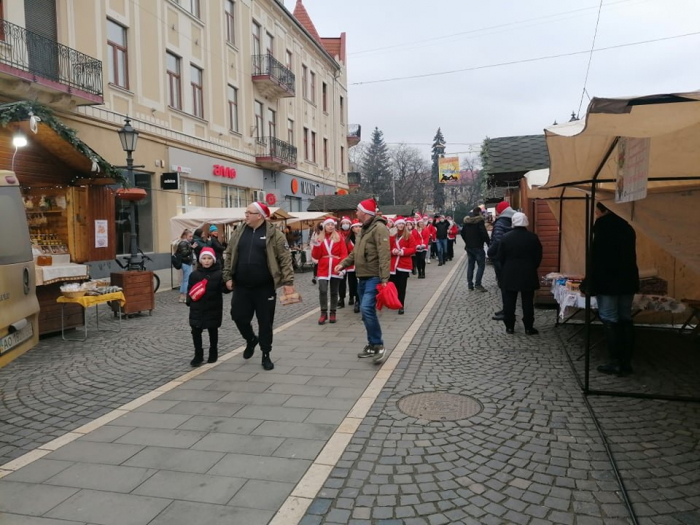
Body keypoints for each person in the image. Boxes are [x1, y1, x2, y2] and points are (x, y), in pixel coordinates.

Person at [222, 202, 296, 371]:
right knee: (238, 316)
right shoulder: (239, 232)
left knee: (265, 322)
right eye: (246, 212)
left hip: (264, 287)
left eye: (249, 212)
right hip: (241, 286)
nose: (245, 214)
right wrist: (227, 276)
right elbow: (229, 254)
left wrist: (288, 283)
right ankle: (251, 339)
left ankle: (265, 354)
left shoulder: (275, 235)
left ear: (260, 216)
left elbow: (285, 260)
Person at [582, 202, 639, 376]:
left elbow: (596, 260)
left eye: (597, 212)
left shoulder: (602, 228)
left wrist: (589, 283)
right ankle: (626, 362)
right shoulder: (628, 228)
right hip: (627, 281)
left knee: (609, 319)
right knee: (625, 319)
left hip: (607, 282)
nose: (596, 215)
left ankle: (615, 361)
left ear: (604, 211)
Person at [335, 198, 391, 364]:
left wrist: (384, 278)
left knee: (366, 308)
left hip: (374, 276)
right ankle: (372, 344)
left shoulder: (379, 228)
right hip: (362, 277)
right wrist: (343, 264)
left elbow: (384, 254)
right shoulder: (363, 230)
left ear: (365, 213)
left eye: (358, 210)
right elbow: (355, 254)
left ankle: (378, 345)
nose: (356, 212)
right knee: (367, 314)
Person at [497, 212, 542, 335]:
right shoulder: (533, 237)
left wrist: (505, 267)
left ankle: (510, 326)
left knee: (509, 301)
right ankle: (528, 326)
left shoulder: (505, 237)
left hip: (509, 272)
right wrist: (532, 266)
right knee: (528, 301)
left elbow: (500, 257)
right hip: (528, 272)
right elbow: (538, 256)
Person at [186, 247, 229, 366]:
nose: (206, 261)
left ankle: (213, 351)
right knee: (195, 331)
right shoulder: (194, 275)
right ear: (200, 260)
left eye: (209, 258)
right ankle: (198, 354)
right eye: (204, 258)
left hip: (213, 307)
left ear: (214, 260)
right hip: (197, 308)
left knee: (212, 330)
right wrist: (189, 301)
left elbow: (223, 289)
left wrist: (229, 285)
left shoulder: (219, 274)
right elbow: (190, 289)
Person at [311, 218, 348, 324]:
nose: (331, 226)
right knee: (322, 290)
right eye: (328, 224)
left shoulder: (339, 237)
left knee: (334, 291)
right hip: (323, 268)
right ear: (324, 226)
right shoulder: (319, 238)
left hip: (335, 267)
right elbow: (316, 256)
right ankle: (323, 312)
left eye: (332, 224)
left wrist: (342, 267)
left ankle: (333, 312)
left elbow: (344, 254)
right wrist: (317, 246)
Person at [487, 201, 515, 320]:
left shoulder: (500, 223)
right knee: (509, 286)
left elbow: (497, 240)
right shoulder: (513, 219)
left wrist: (490, 252)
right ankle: (507, 309)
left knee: (504, 286)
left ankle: (507, 312)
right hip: (512, 257)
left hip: (500, 258)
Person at [389, 217, 417, 315]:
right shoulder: (392, 236)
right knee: (394, 286)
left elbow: (413, 248)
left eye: (402, 224)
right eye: (398, 224)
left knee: (402, 287)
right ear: (395, 225)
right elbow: (387, 248)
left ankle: (401, 305)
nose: (400, 226)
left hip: (403, 265)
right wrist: (393, 251)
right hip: (393, 266)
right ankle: (395, 302)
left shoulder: (409, 236)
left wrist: (402, 251)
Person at [461, 207, 491, 292]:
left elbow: (463, 233)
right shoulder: (479, 221)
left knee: (470, 266)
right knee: (481, 265)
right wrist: (489, 244)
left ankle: (470, 285)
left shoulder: (467, 221)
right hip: (478, 247)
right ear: (479, 213)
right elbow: (484, 233)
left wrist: (467, 241)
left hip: (469, 247)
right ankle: (478, 284)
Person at [174, 229, 195, 303]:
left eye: (192, 236)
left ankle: (182, 296)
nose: (191, 238)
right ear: (185, 236)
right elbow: (184, 253)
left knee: (184, 280)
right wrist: (192, 248)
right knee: (187, 280)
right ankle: (185, 296)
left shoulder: (186, 243)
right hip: (186, 263)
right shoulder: (183, 243)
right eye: (190, 236)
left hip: (186, 262)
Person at [346, 219, 362, 313]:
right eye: (356, 227)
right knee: (352, 284)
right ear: (352, 229)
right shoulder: (348, 240)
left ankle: (358, 301)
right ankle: (354, 296)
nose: (358, 229)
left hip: (361, 265)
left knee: (361, 283)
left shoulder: (365, 238)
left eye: (359, 226)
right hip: (351, 266)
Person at [337, 216, 353, 308]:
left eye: (347, 223)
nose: (345, 225)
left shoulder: (352, 234)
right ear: (341, 225)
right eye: (344, 223)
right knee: (341, 281)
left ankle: (351, 296)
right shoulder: (338, 234)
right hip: (342, 260)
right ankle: (341, 299)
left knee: (352, 280)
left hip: (351, 261)